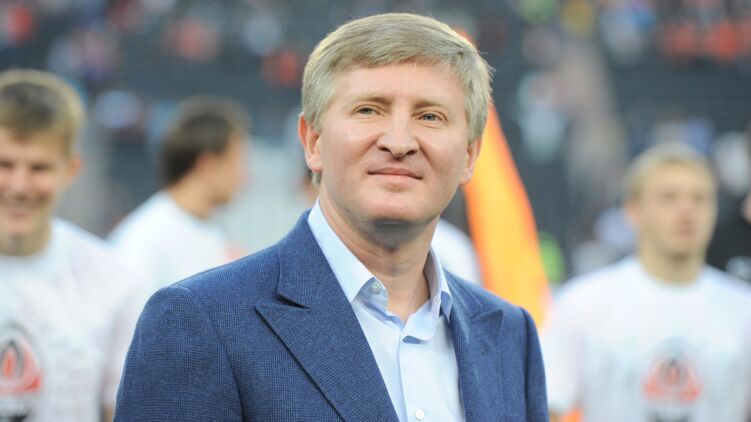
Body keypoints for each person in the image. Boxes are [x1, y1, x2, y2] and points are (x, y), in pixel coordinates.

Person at [115, 13, 548, 421]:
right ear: (313, 142)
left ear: (470, 155)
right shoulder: (200, 321)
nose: (399, 142)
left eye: (430, 116)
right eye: (369, 110)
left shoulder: (511, 336)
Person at [542, 142, 751, 421]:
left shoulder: (744, 310)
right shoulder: (584, 304)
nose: (686, 209)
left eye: (699, 198)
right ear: (632, 210)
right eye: (668, 197)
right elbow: (546, 406)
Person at [0, 69, 147, 421]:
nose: (19, 186)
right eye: (5, 165)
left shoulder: (117, 281)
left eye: (38, 168)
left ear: (71, 170)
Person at [108, 98, 248, 292]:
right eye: (237, 161)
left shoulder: (214, 230)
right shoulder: (144, 239)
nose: (244, 176)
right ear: (208, 165)